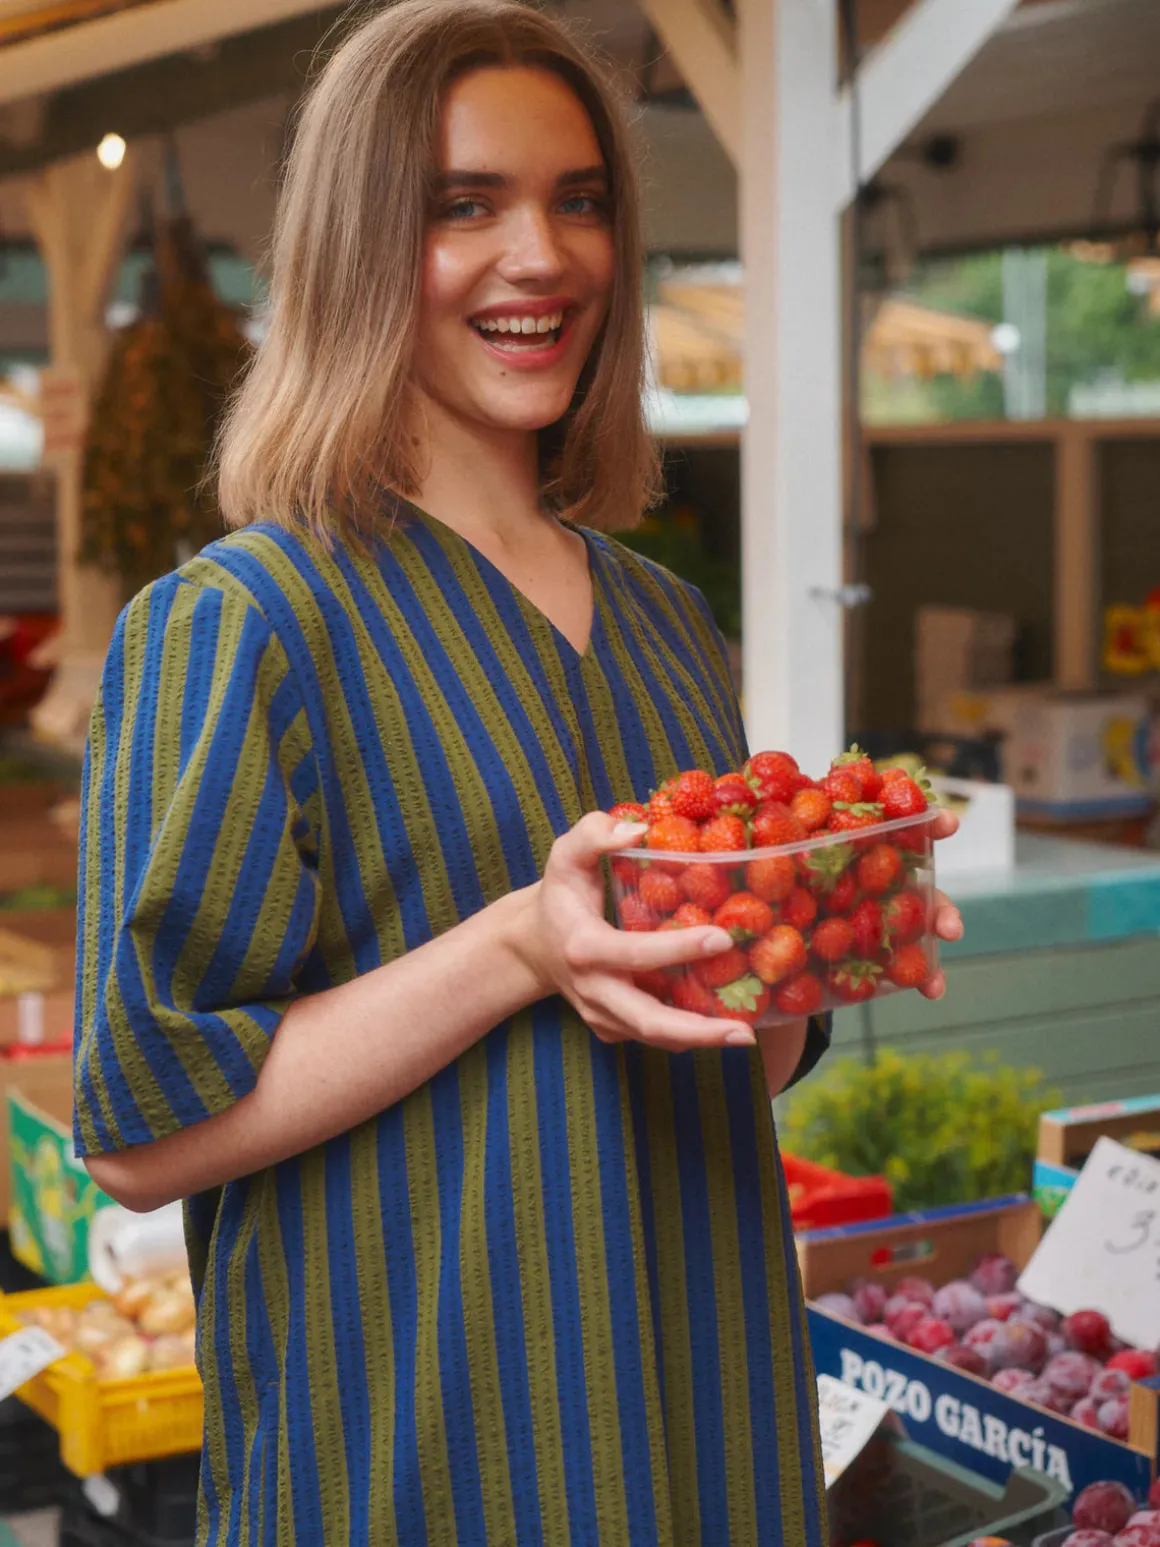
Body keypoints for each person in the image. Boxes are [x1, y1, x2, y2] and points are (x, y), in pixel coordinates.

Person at [74, 4, 963, 1543]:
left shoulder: (666, 620)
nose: (541, 255)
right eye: (463, 205)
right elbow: (142, 1127)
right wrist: (514, 947)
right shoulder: (244, 623)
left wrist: (813, 943)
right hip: (422, 1448)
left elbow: (722, 1051)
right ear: (358, 247)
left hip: (707, 1419)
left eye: (581, 199)